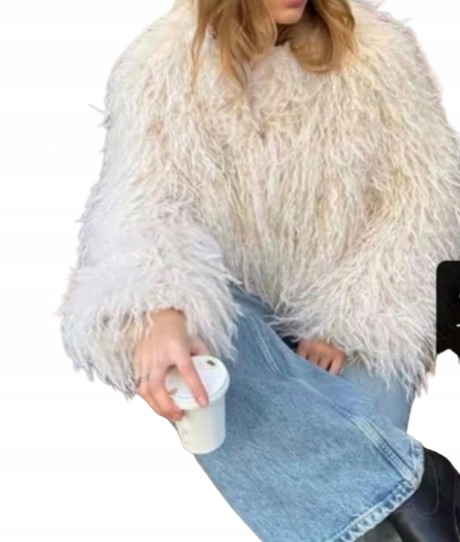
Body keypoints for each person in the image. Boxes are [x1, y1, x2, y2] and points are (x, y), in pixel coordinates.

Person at [55, 0, 460, 540]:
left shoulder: (379, 53)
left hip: (368, 309)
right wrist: (162, 309)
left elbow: (426, 206)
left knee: (346, 487)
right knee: (189, 359)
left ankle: (412, 490)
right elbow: (141, 206)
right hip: (242, 318)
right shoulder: (160, 64)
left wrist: (344, 325)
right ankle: (424, 484)